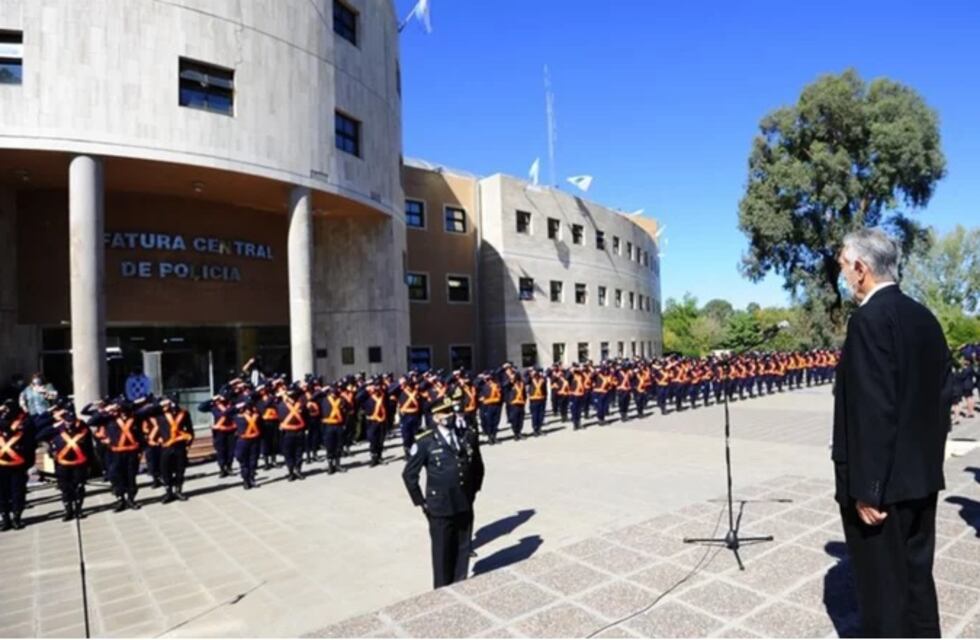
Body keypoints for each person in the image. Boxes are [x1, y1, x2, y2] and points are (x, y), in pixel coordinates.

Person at [832, 228, 951, 638]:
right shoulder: (925, 318)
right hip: (920, 479)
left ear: (861, 269)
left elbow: (873, 409)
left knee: (884, 595)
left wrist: (869, 487)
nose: (844, 276)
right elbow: (940, 402)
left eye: (845, 267)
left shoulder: (869, 320)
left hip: (881, 491)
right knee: (918, 582)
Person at [402, 395, 484, 589]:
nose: (450, 416)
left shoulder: (465, 435)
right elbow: (409, 475)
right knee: (442, 552)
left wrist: (472, 492)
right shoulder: (425, 442)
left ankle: (459, 584)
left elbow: (477, 466)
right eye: (445, 413)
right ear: (435, 417)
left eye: (451, 412)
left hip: (463, 502)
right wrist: (421, 502)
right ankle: (442, 591)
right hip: (440, 506)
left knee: (462, 547)